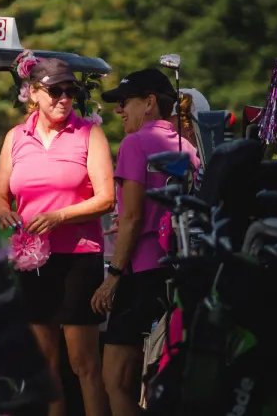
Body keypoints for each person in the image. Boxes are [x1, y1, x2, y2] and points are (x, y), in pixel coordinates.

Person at [0, 57, 115, 416]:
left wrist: (59, 215)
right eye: (55, 91)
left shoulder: (89, 133)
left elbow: (107, 198)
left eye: (70, 91)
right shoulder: (16, 137)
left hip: (77, 256)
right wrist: (4, 214)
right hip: (30, 260)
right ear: (33, 94)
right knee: (44, 364)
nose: (64, 98)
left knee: (83, 363)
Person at [93, 68, 201, 416]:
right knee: (159, 384)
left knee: (116, 382)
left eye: (125, 102)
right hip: (177, 274)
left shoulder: (134, 142)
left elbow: (133, 218)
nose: (118, 110)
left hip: (139, 274)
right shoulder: (189, 146)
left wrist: (113, 275)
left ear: (150, 103)